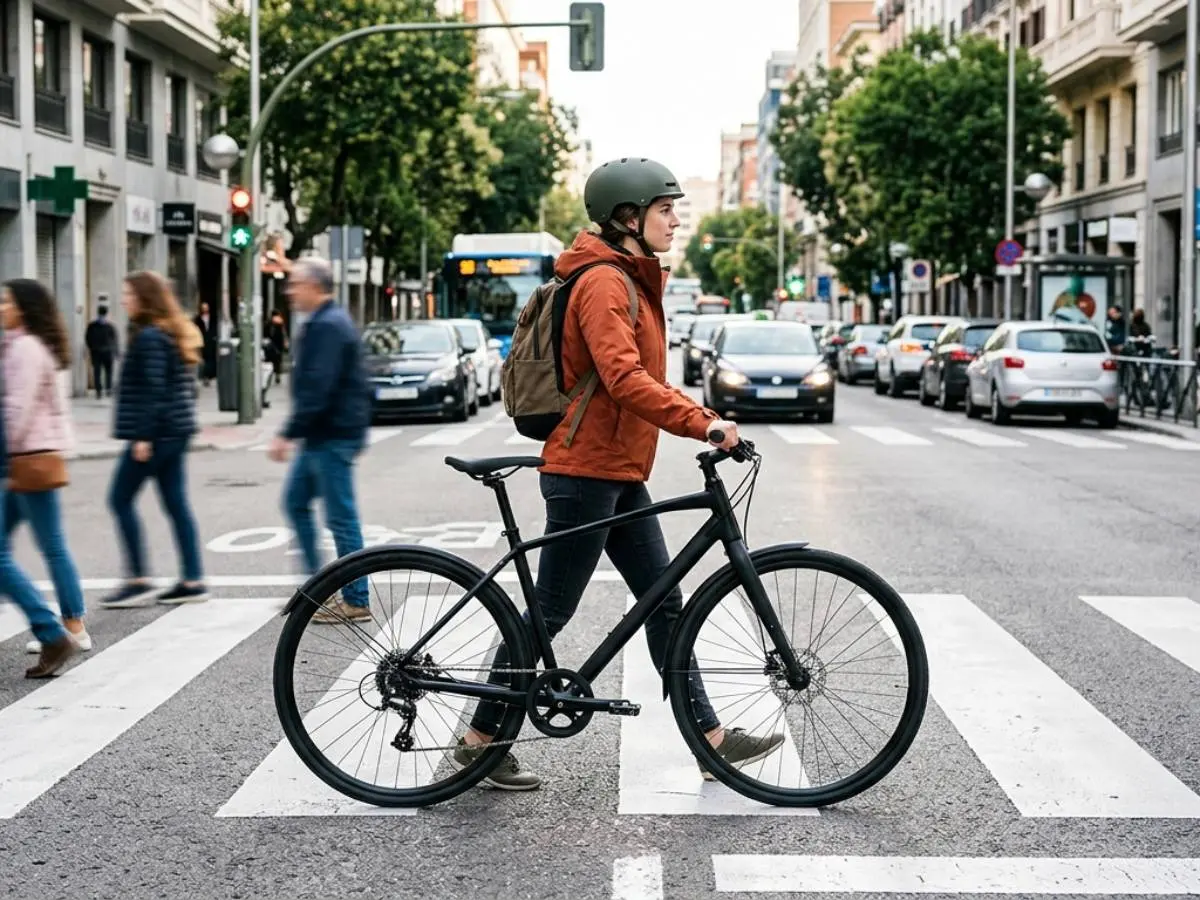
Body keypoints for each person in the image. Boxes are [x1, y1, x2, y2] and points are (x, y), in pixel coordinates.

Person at [453, 158, 785, 790]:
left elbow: (641, 379)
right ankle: (478, 742)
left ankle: (711, 743)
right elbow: (624, 379)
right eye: (665, 210)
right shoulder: (606, 282)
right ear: (628, 218)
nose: (676, 220)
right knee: (550, 612)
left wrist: (694, 415)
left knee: (664, 604)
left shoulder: (629, 278)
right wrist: (704, 423)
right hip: (587, 470)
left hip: (618, 469)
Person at [268, 257, 371, 624]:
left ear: (315, 286)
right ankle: (316, 588)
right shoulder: (324, 322)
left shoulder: (328, 325)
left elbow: (318, 388)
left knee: (341, 518)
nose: (289, 290)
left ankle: (356, 599)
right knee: (296, 503)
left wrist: (287, 432)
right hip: (323, 434)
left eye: (295, 284)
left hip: (332, 435)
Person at [100, 271, 208, 608]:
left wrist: (143, 436)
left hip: (158, 435)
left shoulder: (150, 337)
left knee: (119, 498)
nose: (123, 299)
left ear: (144, 298)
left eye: (128, 293)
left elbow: (153, 391)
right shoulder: (164, 334)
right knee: (176, 504)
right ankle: (192, 580)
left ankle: (138, 579)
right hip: (173, 431)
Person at [1, 279, 89, 655]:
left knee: (47, 546)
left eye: (5, 301)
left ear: (23, 307)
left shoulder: (25, 348)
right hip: (32, 457)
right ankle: (68, 625)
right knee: (45, 545)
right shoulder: (26, 345)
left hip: (27, 458)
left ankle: (62, 627)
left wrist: (5, 455)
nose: (1, 307)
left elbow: (15, 410)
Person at [84, 303, 119, 398]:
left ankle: (99, 391)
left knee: (97, 372)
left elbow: (87, 338)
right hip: (107, 352)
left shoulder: (92, 326)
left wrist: (92, 348)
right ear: (106, 314)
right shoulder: (110, 326)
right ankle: (108, 389)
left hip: (97, 353)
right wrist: (116, 353)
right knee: (107, 372)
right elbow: (115, 340)